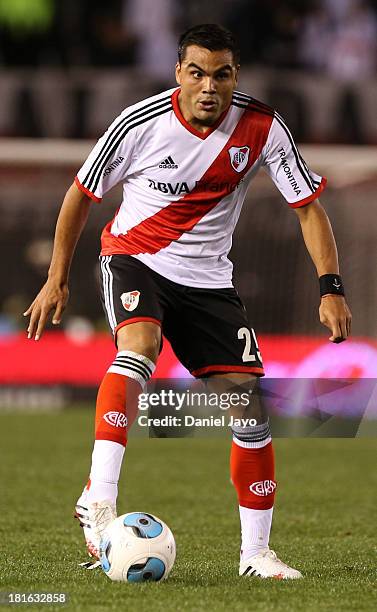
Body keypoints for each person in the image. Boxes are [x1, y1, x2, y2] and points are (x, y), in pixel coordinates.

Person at [24, 24, 352, 579]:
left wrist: (331, 287)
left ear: (235, 76)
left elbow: (307, 207)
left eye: (221, 74)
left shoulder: (263, 127)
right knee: (140, 346)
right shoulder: (138, 124)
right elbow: (80, 195)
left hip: (208, 281)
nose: (209, 86)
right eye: (196, 73)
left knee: (248, 408)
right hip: (135, 259)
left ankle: (256, 555)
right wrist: (56, 278)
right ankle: (100, 498)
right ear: (179, 73)